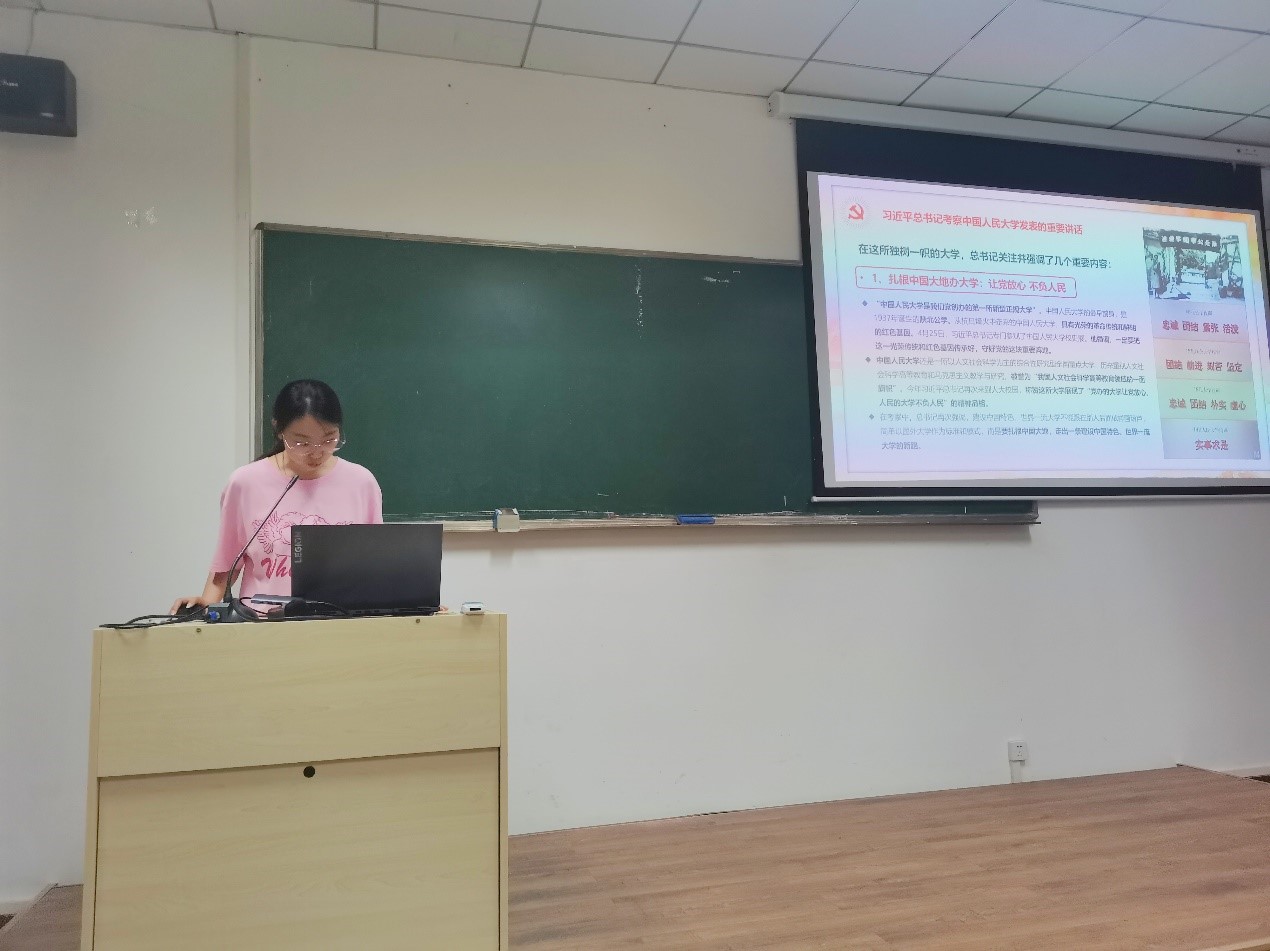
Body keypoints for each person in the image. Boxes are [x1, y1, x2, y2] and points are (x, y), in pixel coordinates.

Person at [171, 380, 382, 613]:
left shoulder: (361, 483)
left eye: (328, 440)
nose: (316, 453)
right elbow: (225, 569)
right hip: (264, 626)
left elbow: (375, 570)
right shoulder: (245, 483)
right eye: (302, 442)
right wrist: (203, 609)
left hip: (341, 624)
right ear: (279, 430)